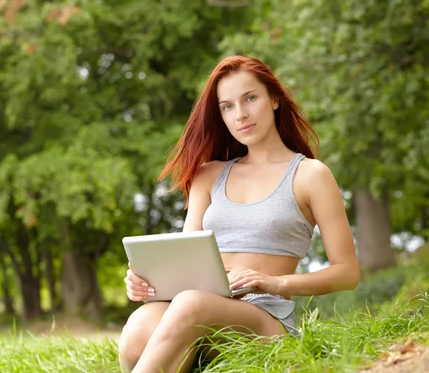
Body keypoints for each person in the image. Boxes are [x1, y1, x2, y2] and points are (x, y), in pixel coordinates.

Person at [118, 55, 360, 373]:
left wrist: (275, 282)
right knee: (139, 327)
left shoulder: (310, 175)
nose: (240, 114)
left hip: (265, 321)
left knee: (191, 304)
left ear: (274, 99)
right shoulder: (208, 175)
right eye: (227, 106)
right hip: (196, 311)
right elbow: (186, 257)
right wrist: (144, 282)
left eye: (250, 98)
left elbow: (347, 273)